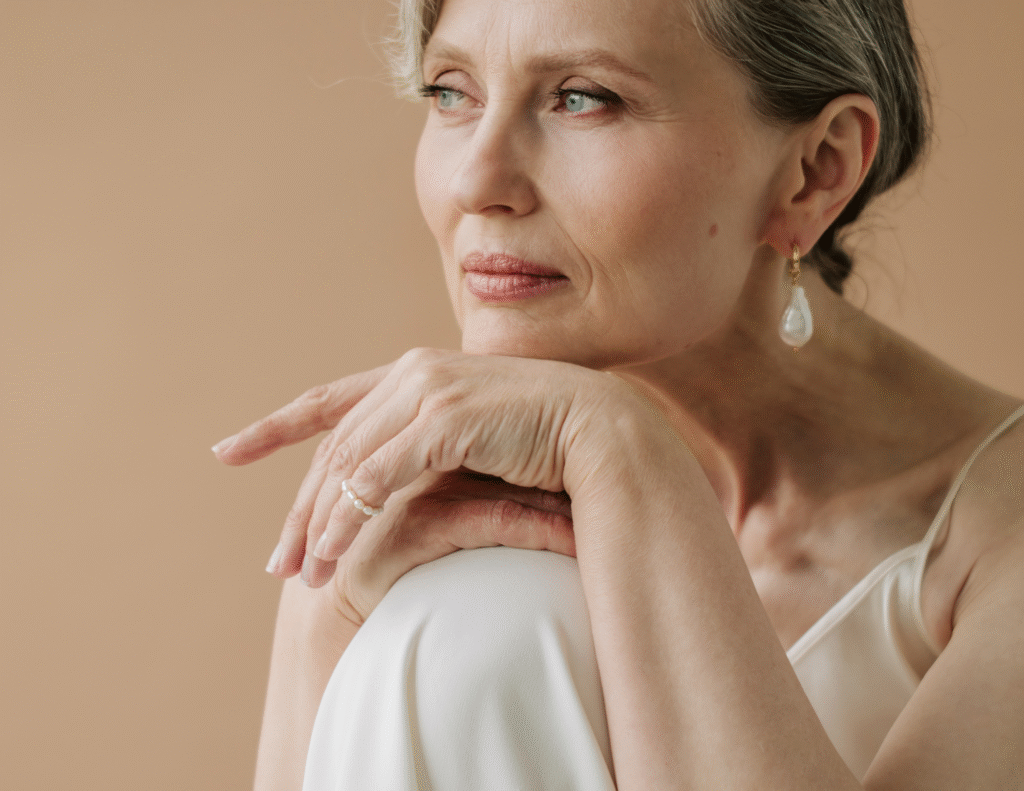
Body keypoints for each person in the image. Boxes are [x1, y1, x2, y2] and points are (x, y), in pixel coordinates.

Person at [214, 0, 1024, 788]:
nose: (476, 180)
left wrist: (620, 444)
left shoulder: (999, 546)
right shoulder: (449, 512)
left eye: (582, 98)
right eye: (451, 92)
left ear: (816, 171)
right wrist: (323, 607)